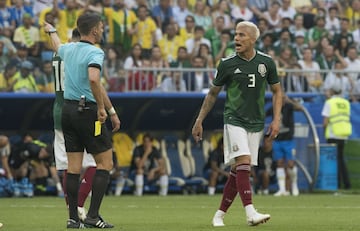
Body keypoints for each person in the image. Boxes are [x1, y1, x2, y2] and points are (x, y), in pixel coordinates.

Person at [192, 21, 282, 227]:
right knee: (244, 161)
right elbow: (213, 94)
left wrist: (276, 119)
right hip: (234, 119)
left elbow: (278, 91)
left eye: (241, 35)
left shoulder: (266, 63)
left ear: (253, 39)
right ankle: (251, 213)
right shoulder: (227, 64)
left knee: (238, 170)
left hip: (256, 122)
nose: (236, 39)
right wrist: (199, 120)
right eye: (235, 35)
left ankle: (219, 215)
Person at [44, 12, 120, 229]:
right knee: (105, 162)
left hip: (67, 112)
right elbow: (94, 79)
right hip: (86, 110)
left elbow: (57, 45)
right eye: (102, 27)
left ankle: (72, 219)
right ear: (95, 29)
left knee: (74, 167)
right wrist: (103, 109)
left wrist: (52, 31)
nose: (103, 30)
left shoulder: (69, 49)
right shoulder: (95, 52)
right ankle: (93, 216)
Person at [50, 28, 99, 221]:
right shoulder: (80, 55)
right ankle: (78, 205)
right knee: (96, 162)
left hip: (59, 113)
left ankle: (72, 212)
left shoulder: (57, 54)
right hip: (79, 111)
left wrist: (51, 31)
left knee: (67, 165)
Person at [267, 94, 303, 196]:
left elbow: (300, 108)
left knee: (291, 164)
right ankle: (282, 189)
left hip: (288, 140)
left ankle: (294, 186)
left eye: (283, 98)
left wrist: (290, 101)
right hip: (277, 140)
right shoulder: (273, 108)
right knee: (279, 163)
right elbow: (263, 115)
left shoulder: (289, 106)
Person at [321, 86, 352, 189]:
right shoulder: (346, 102)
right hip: (343, 134)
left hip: (333, 133)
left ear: (332, 92)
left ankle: (336, 184)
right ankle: (347, 184)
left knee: (334, 161)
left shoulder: (329, 102)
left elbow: (325, 122)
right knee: (341, 159)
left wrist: (324, 129)